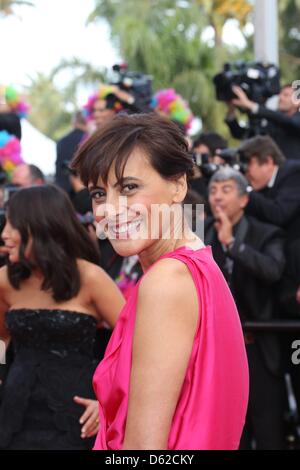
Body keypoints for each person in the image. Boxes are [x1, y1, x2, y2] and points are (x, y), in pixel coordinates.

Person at [71, 112, 249, 450]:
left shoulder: (167, 280)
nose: (109, 209)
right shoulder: (197, 266)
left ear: (178, 185)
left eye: (129, 187)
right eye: (98, 193)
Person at [0, 185, 124, 450]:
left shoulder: (90, 278)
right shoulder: (5, 281)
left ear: (39, 226)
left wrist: (109, 403)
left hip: (78, 417)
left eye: (12, 224)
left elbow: (137, 346)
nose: (4, 234)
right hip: (15, 413)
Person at [205, 168, 286, 449]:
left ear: (243, 199)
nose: (217, 197)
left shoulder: (267, 234)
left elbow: (273, 270)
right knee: (228, 433)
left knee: (267, 431)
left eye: (226, 190)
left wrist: (232, 244)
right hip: (215, 351)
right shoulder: (199, 234)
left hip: (258, 348)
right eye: (213, 190)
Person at [226, 84, 300, 160]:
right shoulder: (273, 122)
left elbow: (288, 121)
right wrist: (231, 109)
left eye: (286, 95)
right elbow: (242, 134)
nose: (280, 98)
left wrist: (251, 105)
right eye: (280, 94)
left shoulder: (294, 120)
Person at [55, 111, 88, 194]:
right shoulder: (88, 140)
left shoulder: (62, 141)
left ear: (74, 122)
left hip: (61, 188)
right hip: (80, 189)